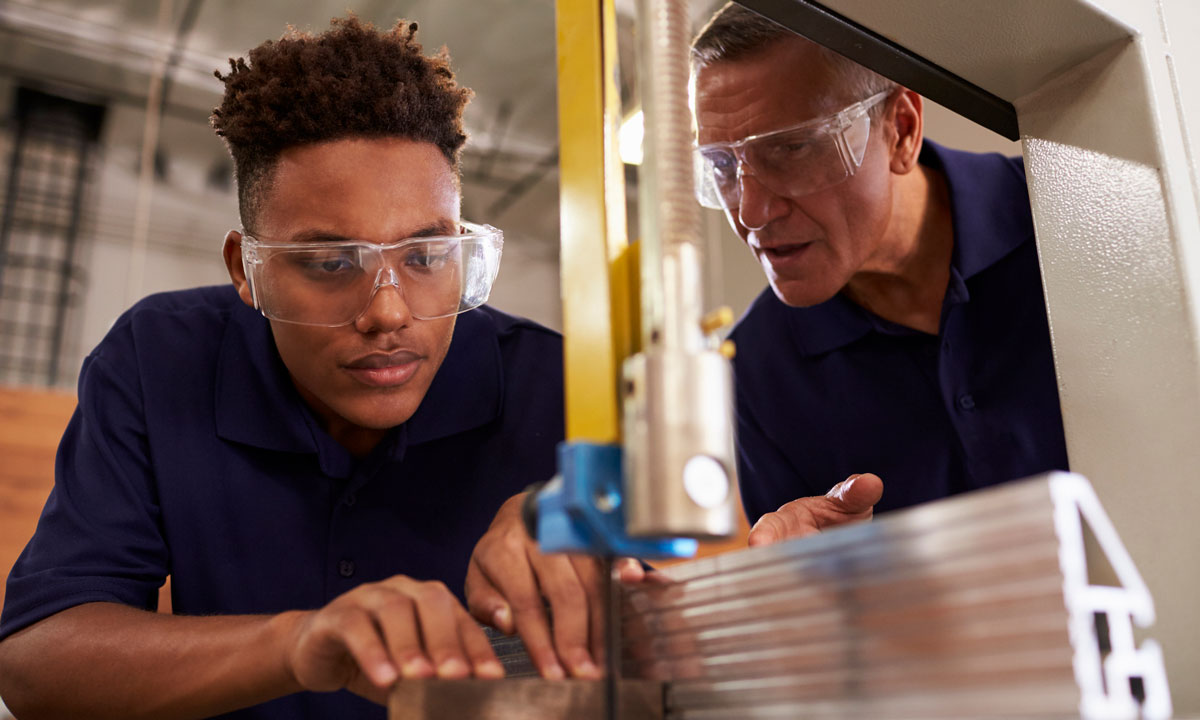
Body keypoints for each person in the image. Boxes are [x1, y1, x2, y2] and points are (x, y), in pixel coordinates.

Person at [0, 16, 565, 719]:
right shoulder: (159, 360)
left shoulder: (557, 388)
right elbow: (35, 661)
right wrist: (298, 644)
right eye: (332, 263)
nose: (389, 313)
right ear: (248, 270)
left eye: (426, 257)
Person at [690, 4, 1068, 545]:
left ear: (901, 130)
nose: (750, 213)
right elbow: (829, 611)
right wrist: (807, 581)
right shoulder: (760, 368)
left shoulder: (1071, 230)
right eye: (722, 167)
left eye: (792, 148)